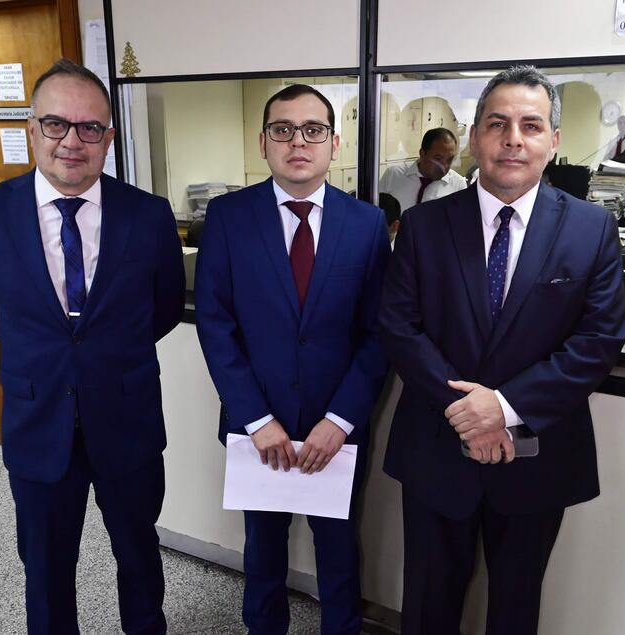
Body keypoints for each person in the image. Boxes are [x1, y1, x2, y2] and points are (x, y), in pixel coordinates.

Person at [379, 65, 625, 635]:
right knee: (427, 604)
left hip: (537, 454)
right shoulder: (423, 225)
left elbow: (598, 339)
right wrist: (469, 414)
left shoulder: (590, 230)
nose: (513, 138)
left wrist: (506, 407)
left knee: (516, 609)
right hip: (438, 449)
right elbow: (399, 326)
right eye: (497, 124)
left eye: (530, 125)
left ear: (553, 141)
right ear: (474, 137)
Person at [0, 59, 185, 635]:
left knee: (138, 554)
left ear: (109, 137)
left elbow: (159, 313)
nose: (71, 142)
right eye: (56, 124)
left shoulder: (149, 215)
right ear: (33, 129)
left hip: (127, 419)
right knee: (46, 568)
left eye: (90, 128)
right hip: (38, 423)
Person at [195, 84, 389, 635]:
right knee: (262, 554)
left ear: (334, 142)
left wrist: (340, 420)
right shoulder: (229, 217)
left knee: (339, 555)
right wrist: (256, 419)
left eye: (313, 130)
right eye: (283, 130)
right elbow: (216, 325)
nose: (297, 142)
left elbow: (378, 334)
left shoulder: (367, 224)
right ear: (263, 142)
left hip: (338, 429)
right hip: (258, 426)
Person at [380, 127, 466, 212]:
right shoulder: (393, 176)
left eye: (450, 159)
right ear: (422, 153)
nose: (444, 165)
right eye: (438, 158)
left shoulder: (458, 185)